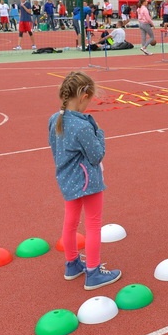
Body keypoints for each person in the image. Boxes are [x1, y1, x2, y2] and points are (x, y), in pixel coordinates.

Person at [48, 71, 122, 291]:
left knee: (70, 222)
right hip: (88, 181)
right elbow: (96, 155)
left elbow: (55, 147)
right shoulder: (81, 126)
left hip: (66, 178)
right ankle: (93, 271)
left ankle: (72, 264)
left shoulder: (55, 118)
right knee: (93, 224)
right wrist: (100, 133)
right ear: (83, 96)